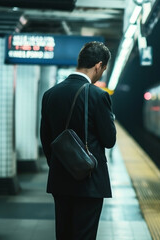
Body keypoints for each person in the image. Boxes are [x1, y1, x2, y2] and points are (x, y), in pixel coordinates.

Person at [40, 41, 116, 240]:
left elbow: (46, 138)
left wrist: (59, 163)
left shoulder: (50, 94)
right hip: (89, 181)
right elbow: (109, 140)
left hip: (60, 178)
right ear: (98, 66)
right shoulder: (98, 95)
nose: (101, 73)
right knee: (84, 235)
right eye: (103, 69)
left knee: (63, 234)